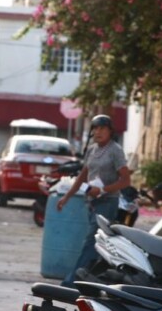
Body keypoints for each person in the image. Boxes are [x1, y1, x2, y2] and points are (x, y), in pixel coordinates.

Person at [56, 114, 132, 286]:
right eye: (95, 128)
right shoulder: (92, 149)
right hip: (91, 202)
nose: (98, 132)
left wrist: (103, 190)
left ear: (110, 131)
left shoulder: (115, 150)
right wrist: (66, 198)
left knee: (91, 241)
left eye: (102, 128)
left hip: (108, 202)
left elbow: (126, 180)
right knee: (97, 244)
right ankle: (92, 280)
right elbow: (83, 176)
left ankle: (72, 280)